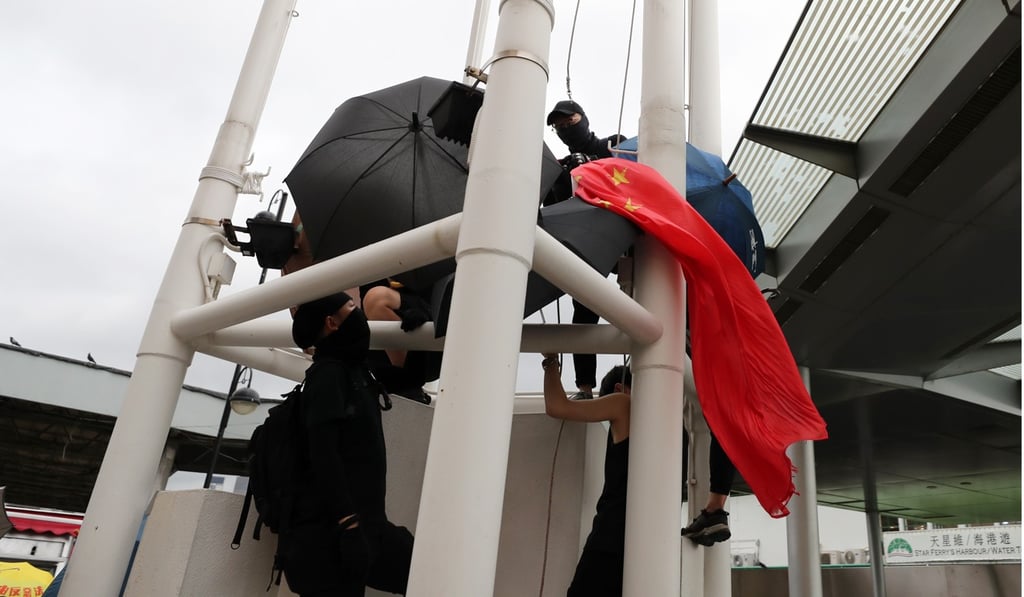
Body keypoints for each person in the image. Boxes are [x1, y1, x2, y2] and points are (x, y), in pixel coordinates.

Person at [284, 292, 414, 596]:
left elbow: (407, 370)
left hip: (366, 529)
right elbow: (323, 453)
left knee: (433, 572)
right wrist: (348, 524)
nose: (359, 314)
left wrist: (409, 307)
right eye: (351, 307)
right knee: (430, 572)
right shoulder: (328, 375)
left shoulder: (355, 371)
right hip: (332, 537)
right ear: (332, 322)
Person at [546, 101, 628, 400]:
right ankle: (584, 386)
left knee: (648, 299)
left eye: (571, 121)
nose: (567, 129)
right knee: (584, 310)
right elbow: (553, 211)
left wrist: (593, 165)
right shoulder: (560, 167)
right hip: (588, 243)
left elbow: (634, 176)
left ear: (585, 119)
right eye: (560, 127)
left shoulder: (616, 145)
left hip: (626, 236)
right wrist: (564, 176)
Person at [542, 356, 631, 597]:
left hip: (611, 534)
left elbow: (557, 406)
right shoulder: (675, 425)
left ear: (618, 390)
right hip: (651, 537)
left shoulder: (623, 404)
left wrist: (550, 362)